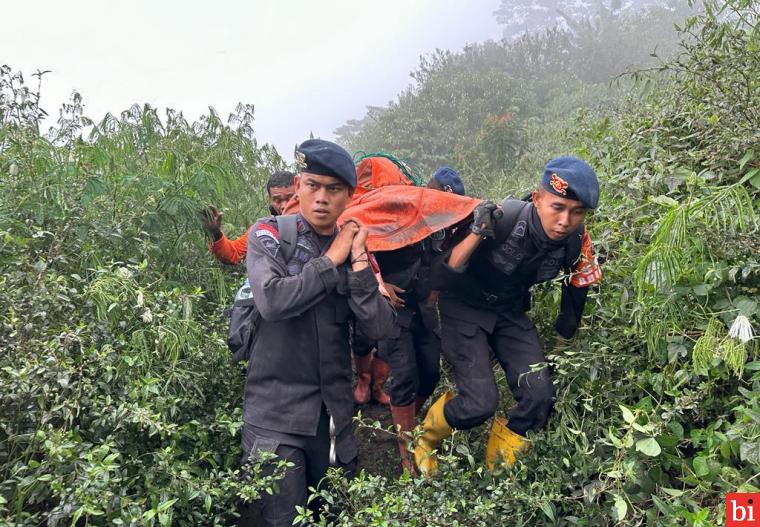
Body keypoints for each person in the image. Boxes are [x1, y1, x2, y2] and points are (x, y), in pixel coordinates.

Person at [240, 139, 395, 526]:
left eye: (333, 189)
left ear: (349, 196)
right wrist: (330, 261)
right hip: (275, 419)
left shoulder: (356, 249)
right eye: (313, 185)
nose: (321, 198)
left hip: (332, 420)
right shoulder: (268, 235)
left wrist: (358, 262)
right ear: (298, 186)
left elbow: (380, 329)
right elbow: (272, 301)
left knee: (335, 517)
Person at [414, 156, 602, 475]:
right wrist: (476, 231)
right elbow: (442, 276)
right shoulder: (503, 217)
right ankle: (426, 439)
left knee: (539, 396)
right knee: (480, 402)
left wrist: (561, 344)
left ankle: (497, 470)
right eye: (558, 207)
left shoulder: (576, 240)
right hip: (464, 307)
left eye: (577, 212)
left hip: (510, 310)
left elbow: (577, 288)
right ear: (538, 198)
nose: (565, 221)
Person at [376, 165, 467, 473]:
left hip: (423, 308)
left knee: (429, 371)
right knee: (404, 374)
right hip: (393, 307)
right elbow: (360, 239)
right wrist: (379, 282)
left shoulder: (446, 226)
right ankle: (407, 455)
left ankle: (408, 425)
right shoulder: (395, 211)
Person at [203, 170, 295, 265]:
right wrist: (215, 232)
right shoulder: (263, 229)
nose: (284, 205)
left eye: (290, 198)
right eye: (277, 200)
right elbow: (235, 254)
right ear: (270, 200)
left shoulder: (310, 221)